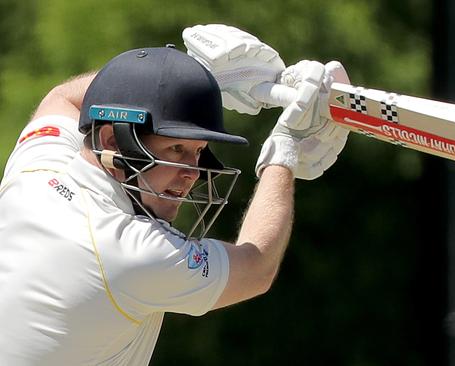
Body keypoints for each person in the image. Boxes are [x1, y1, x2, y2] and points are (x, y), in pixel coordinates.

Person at [0, 25, 350, 365]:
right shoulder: (130, 252)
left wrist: (189, 82)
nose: (192, 173)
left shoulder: (38, 170)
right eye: (177, 148)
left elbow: (61, 98)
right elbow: (256, 268)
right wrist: (285, 151)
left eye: (197, 151)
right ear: (111, 141)